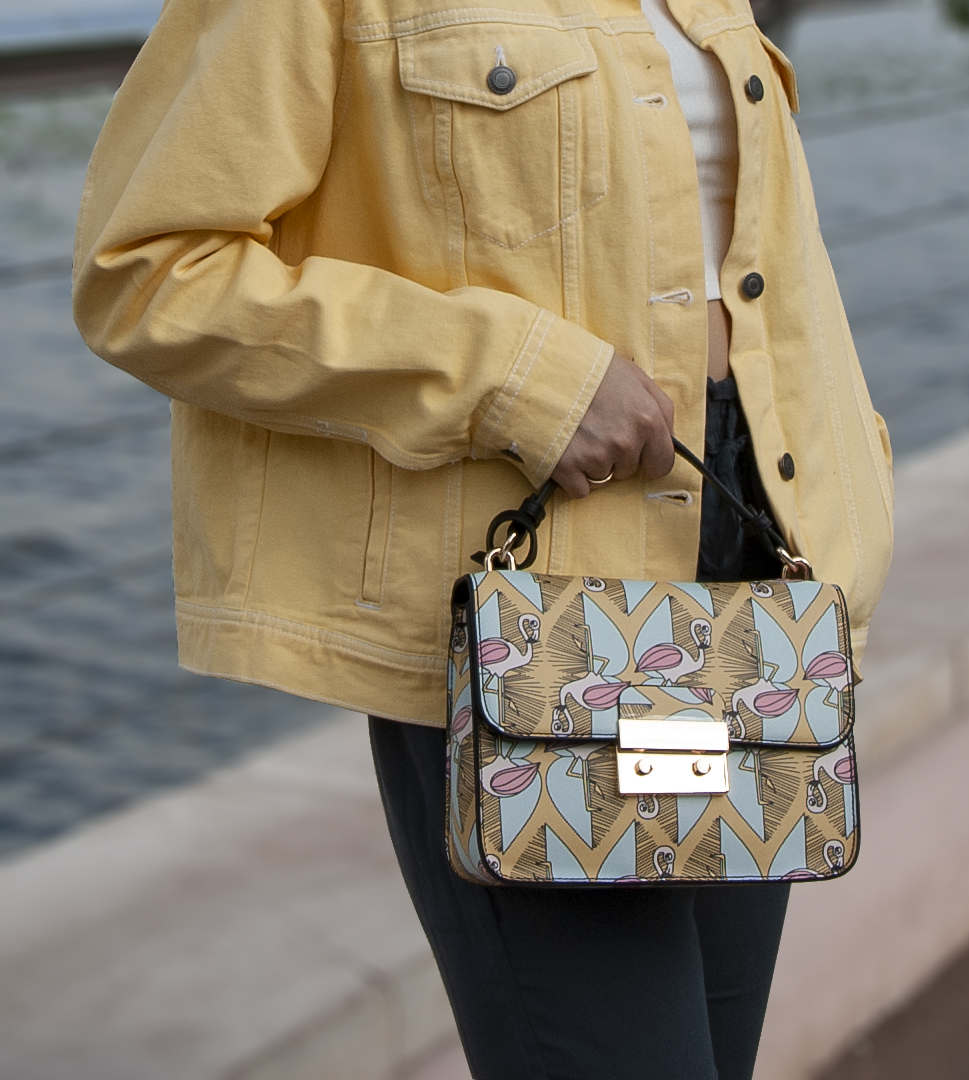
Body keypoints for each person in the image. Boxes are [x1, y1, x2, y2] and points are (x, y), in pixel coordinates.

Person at [72, 0, 895, 1076]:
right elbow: (145, 270)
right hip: (533, 622)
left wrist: (856, 494)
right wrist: (516, 377)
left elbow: (757, 262)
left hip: (755, 592)